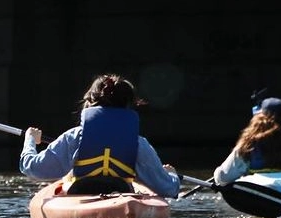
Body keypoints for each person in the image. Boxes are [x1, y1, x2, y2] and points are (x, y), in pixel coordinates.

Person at [19, 74, 182, 198]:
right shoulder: (138, 143)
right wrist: (172, 174)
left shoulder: (74, 137)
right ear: (128, 105)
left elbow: (32, 168)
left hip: (80, 194)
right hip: (122, 193)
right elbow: (168, 189)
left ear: (90, 102)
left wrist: (31, 139)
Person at [213, 97, 281, 185]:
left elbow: (223, 178)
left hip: (259, 187)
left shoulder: (247, 145)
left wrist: (218, 174)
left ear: (258, 119)